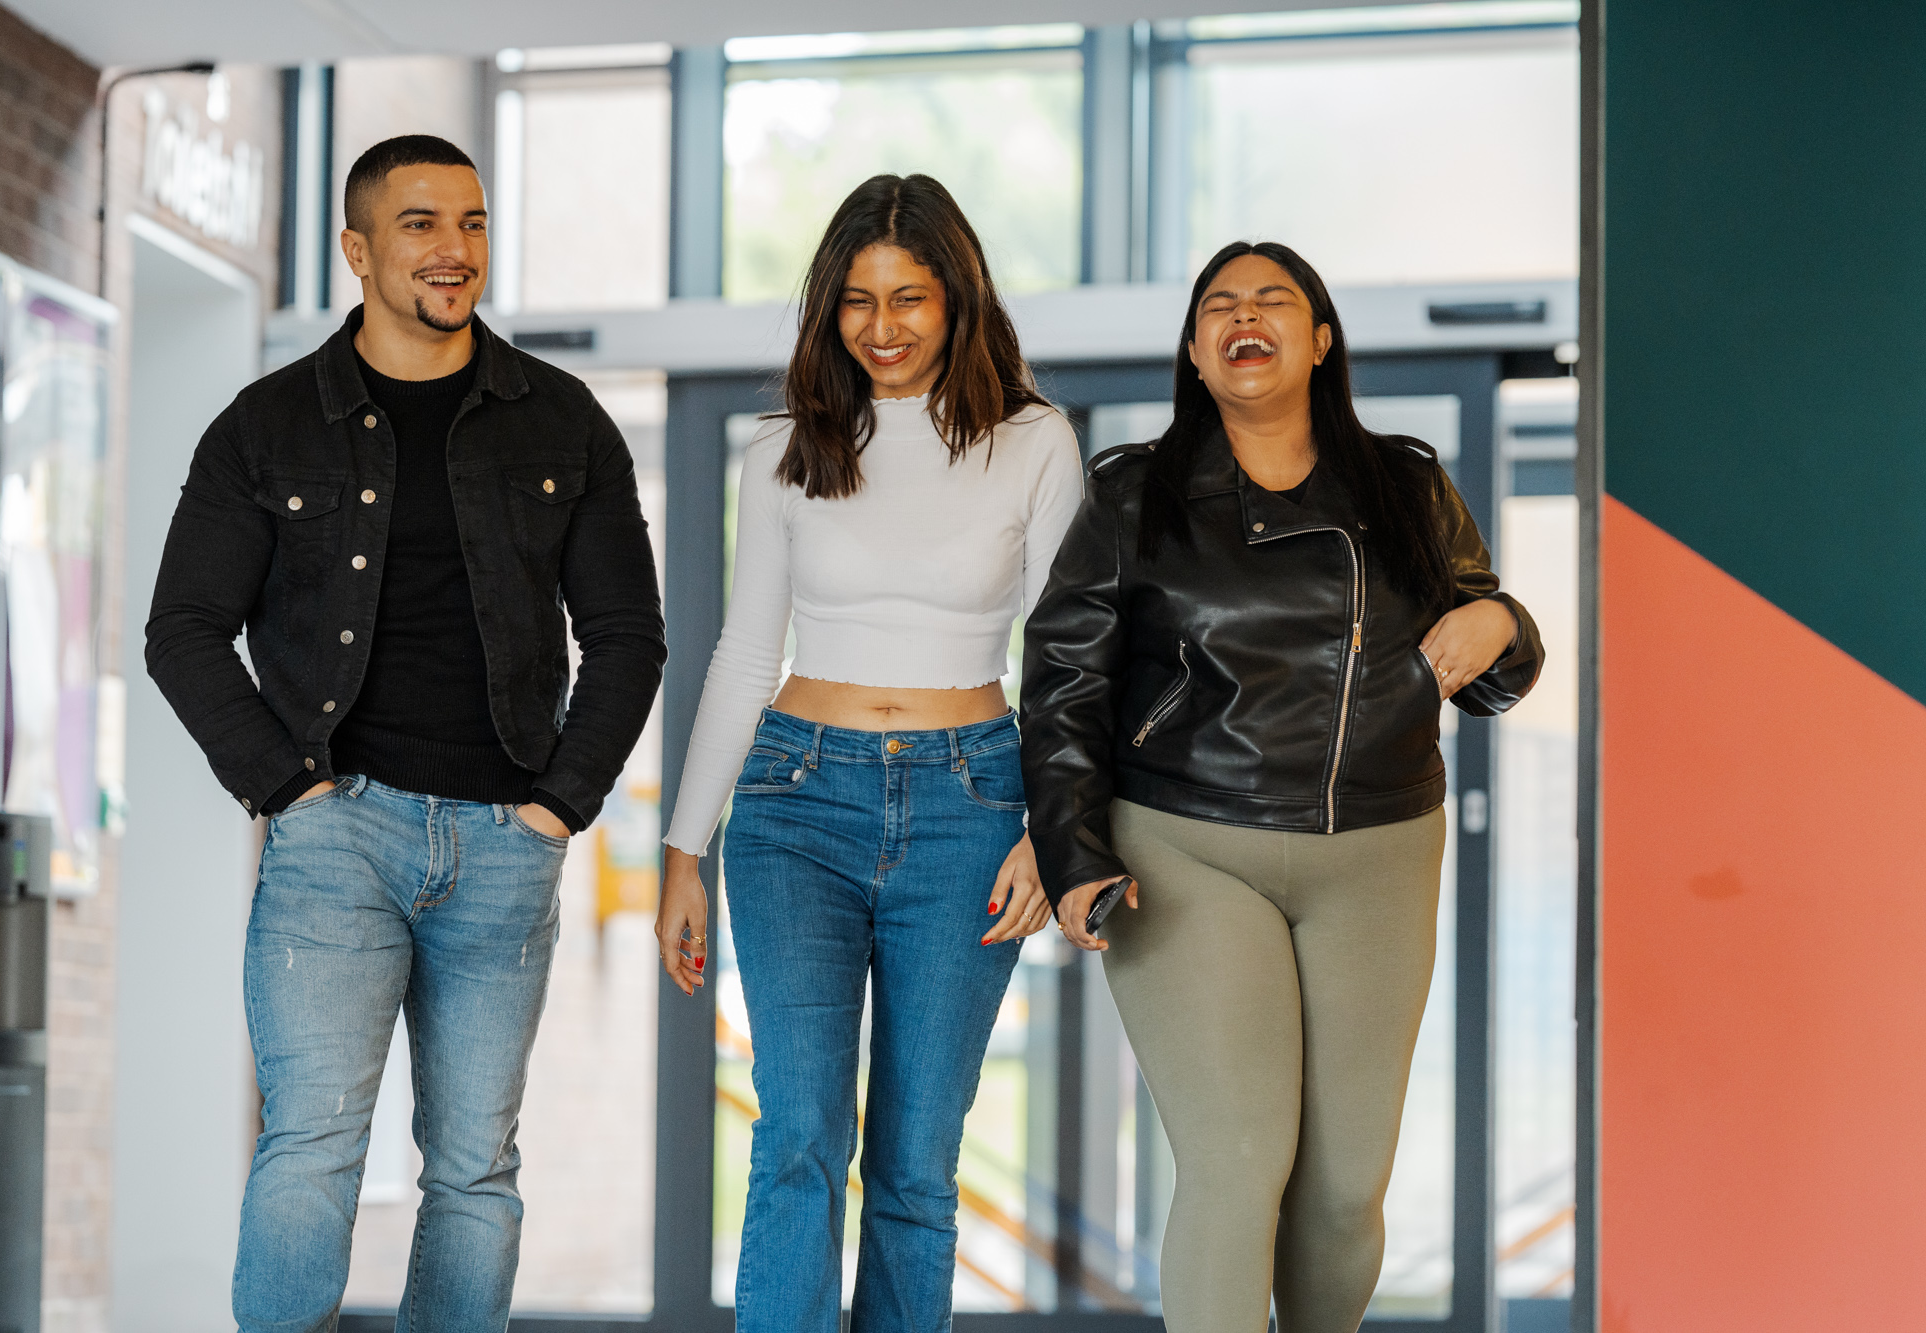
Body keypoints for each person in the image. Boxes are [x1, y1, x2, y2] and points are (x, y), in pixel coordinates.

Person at [144, 134, 665, 1332]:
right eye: (422, 224)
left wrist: (557, 808)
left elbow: (628, 636)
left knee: (475, 1171)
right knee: (311, 1146)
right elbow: (182, 630)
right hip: (338, 836)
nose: (453, 250)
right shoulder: (265, 427)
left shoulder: (563, 421)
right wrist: (286, 791)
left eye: (473, 223)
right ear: (358, 250)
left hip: (506, 839)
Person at [1018, 240, 1542, 1332]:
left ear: (1319, 339)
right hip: (1186, 844)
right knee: (1238, 1157)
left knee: (1344, 1193)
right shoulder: (1133, 491)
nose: (1240, 317)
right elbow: (1065, 680)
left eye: (1270, 300)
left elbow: (1489, 664)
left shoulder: (1406, 483)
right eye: (1217, 305)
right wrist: (1072, 850)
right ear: (1196, 354)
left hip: (1380, 853)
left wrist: (1504, 621)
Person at [657, 173, 1081, 1332]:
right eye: (856, 300)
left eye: (909, 297)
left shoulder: (1034, 442)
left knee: (914, 1163)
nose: (882, 327)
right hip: (796, 801)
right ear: (825, 310)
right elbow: (744, 655)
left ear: (958, 298)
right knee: (796, 1134)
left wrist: (1055, 831)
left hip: (971, 805)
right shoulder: (786, 446)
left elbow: (1063, 658)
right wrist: (683, 850)